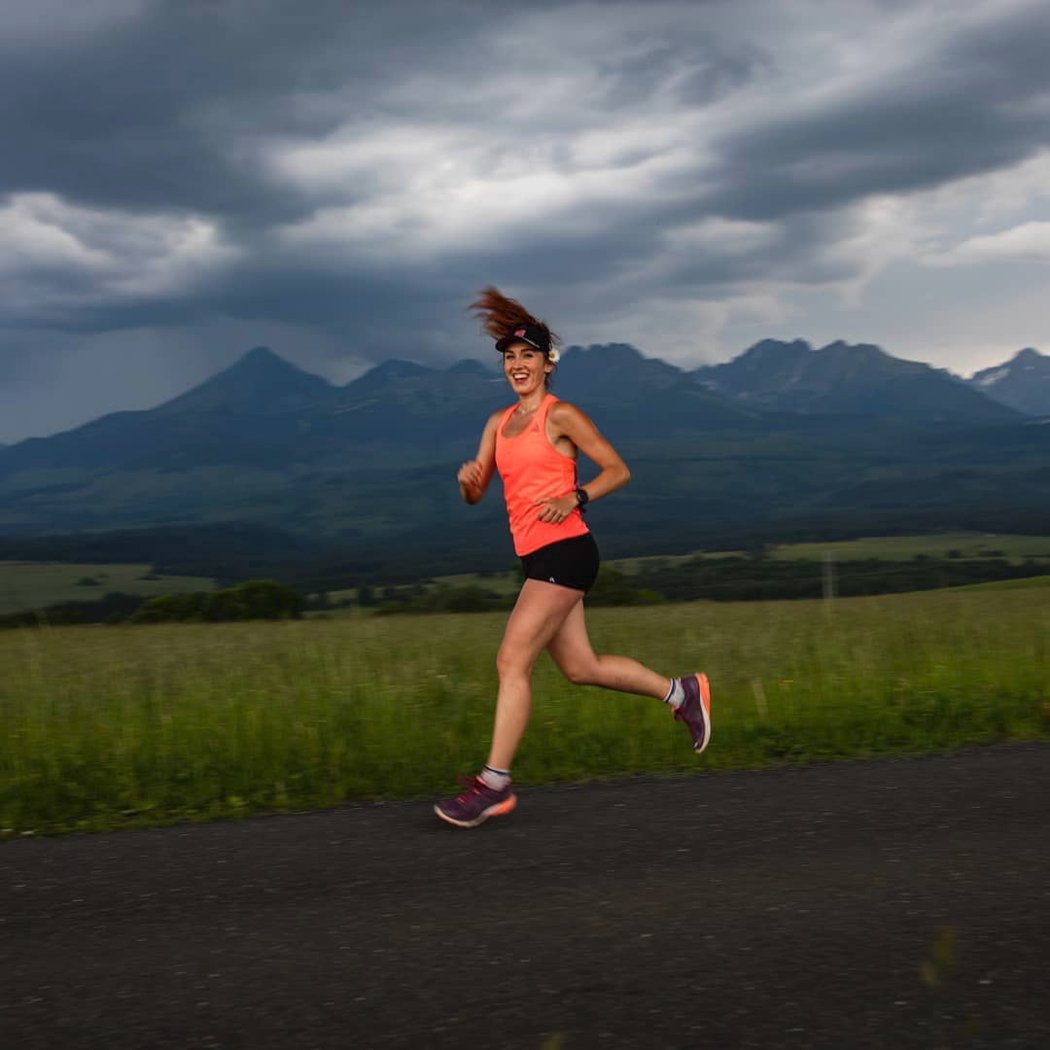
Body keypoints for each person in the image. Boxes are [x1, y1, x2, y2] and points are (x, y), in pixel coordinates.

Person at [434, 287, 711, 828]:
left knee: (512, 660)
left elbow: (618, 469)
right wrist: (469, 482)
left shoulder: (561, 418)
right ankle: (682, 693)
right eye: (510, 357)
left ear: (546, 363)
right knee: (582, 668)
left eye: (527, 356)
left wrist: (574, 496)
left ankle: (493, 784)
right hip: (536, 558)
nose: (517, 365)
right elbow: (478, 493)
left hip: (569, 550)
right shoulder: (498, 423)